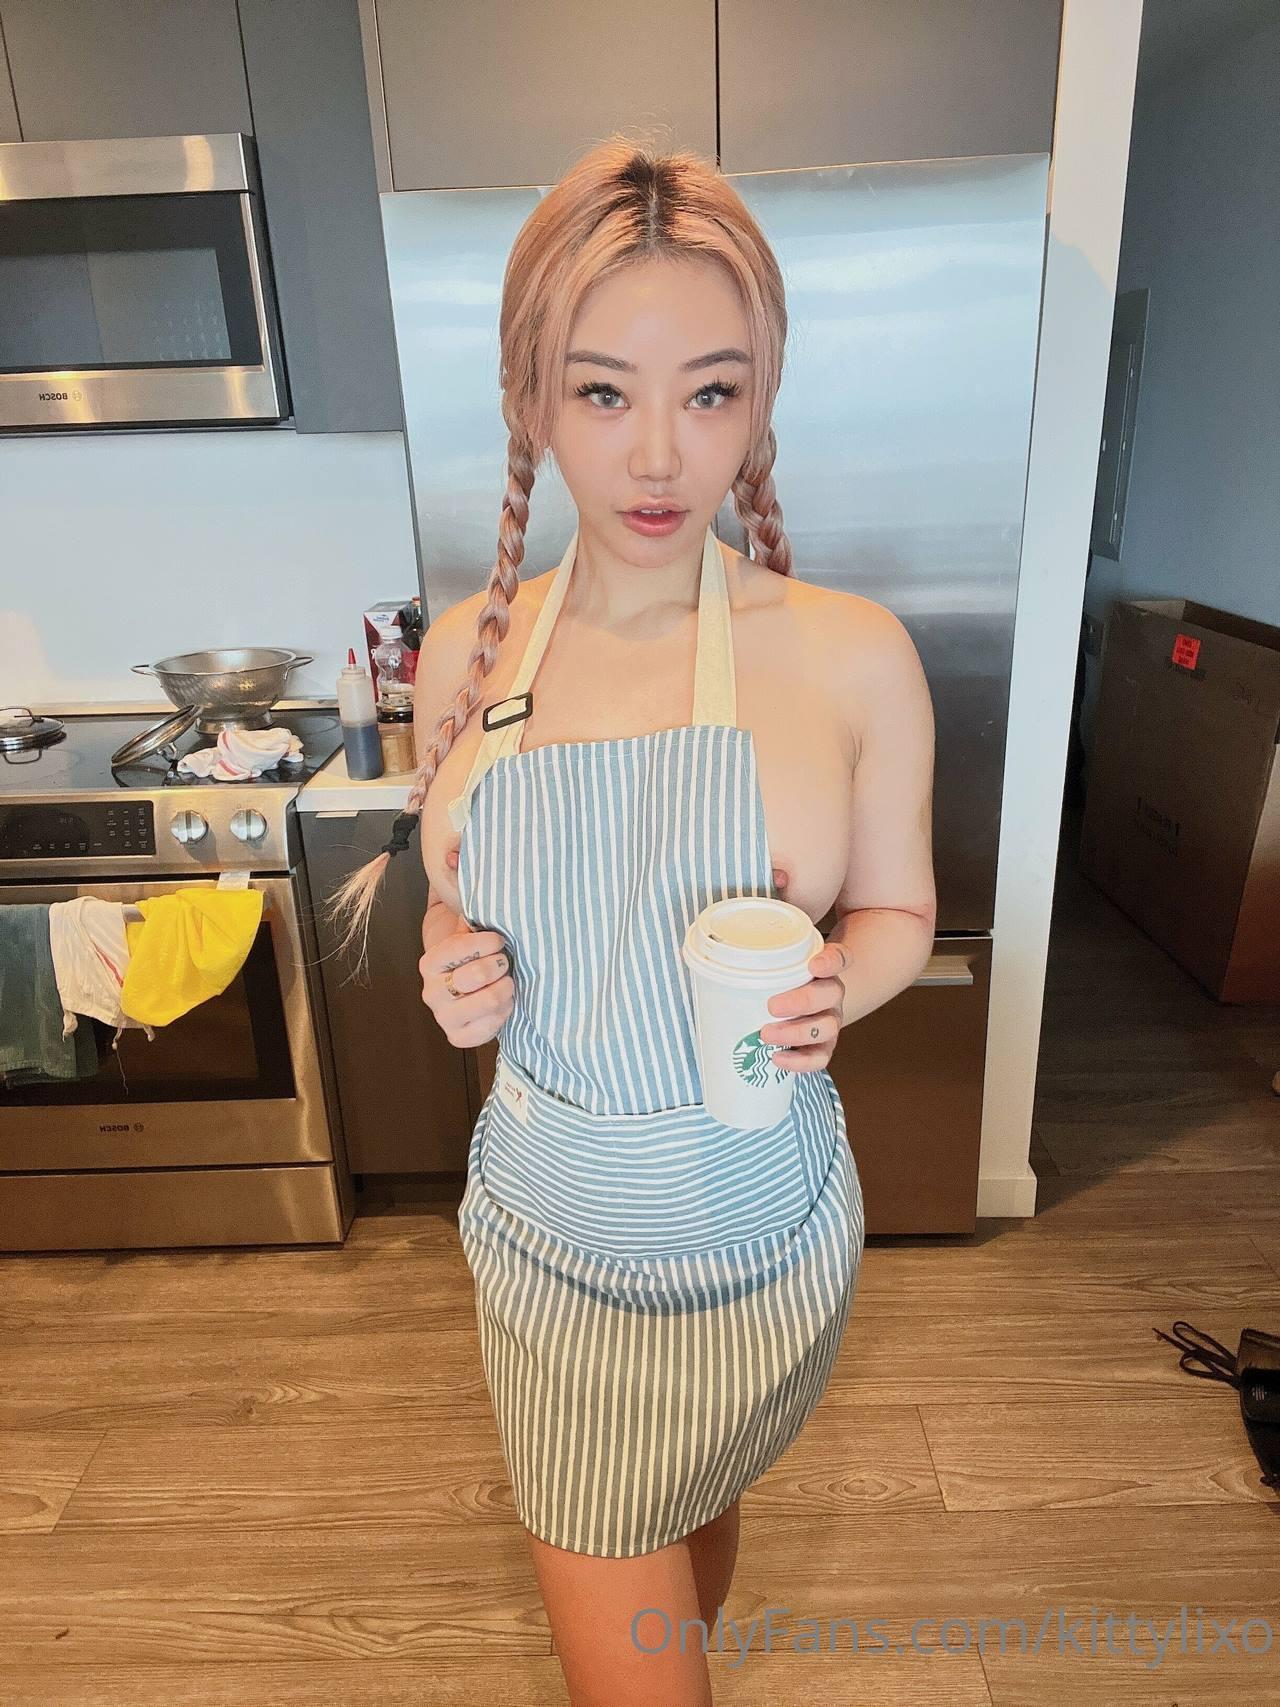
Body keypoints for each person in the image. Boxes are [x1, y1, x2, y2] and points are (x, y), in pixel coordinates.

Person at [326, 135, 936, 1707]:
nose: (661, 457)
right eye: (604, 393)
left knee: (690, 1526)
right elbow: (459, 882)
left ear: (762, 397)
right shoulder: (469, 650)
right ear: (533, 398)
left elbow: (900, 911)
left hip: (764, 1240)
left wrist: (839, 990)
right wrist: (448, 955)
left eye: (711, 393)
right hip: (555, 1248)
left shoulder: (853, 655)